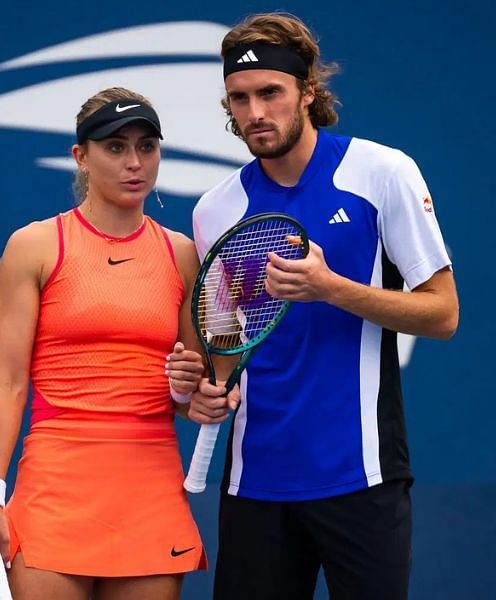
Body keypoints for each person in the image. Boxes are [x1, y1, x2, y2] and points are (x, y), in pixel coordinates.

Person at [187, 13, 458, 599]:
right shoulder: (215, 211)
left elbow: (442, 314)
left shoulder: (384, 173)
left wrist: (330, 287)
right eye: (240, 98)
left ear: (308, 91)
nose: (255, 113)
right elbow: (229, 342)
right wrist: (212, 387)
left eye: (270, 93)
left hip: (361, 478)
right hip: (254, 482)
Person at [0, 87, 209, 600]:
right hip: (56, 486)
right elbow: (7, 383)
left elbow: (190, 395)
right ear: (81, 156)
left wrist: (197, 394)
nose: (134, 162)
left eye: (147, 147)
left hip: (151, 491)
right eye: (116, 147)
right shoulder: (34, 246)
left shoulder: (183, 255)